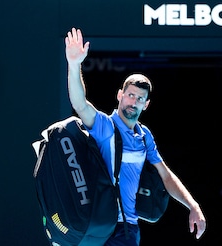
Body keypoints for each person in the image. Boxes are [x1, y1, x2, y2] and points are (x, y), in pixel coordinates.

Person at [65, 27, 206, 246]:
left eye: (140, 99)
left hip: (127, 230)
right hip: (98, 226)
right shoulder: (105, 126)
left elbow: (166, 176)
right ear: (120, 95)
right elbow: (79, 104)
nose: (133, 102)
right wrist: (74, 65)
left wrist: (193, 206)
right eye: (130, 95)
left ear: (146, 104)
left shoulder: (144, 135)